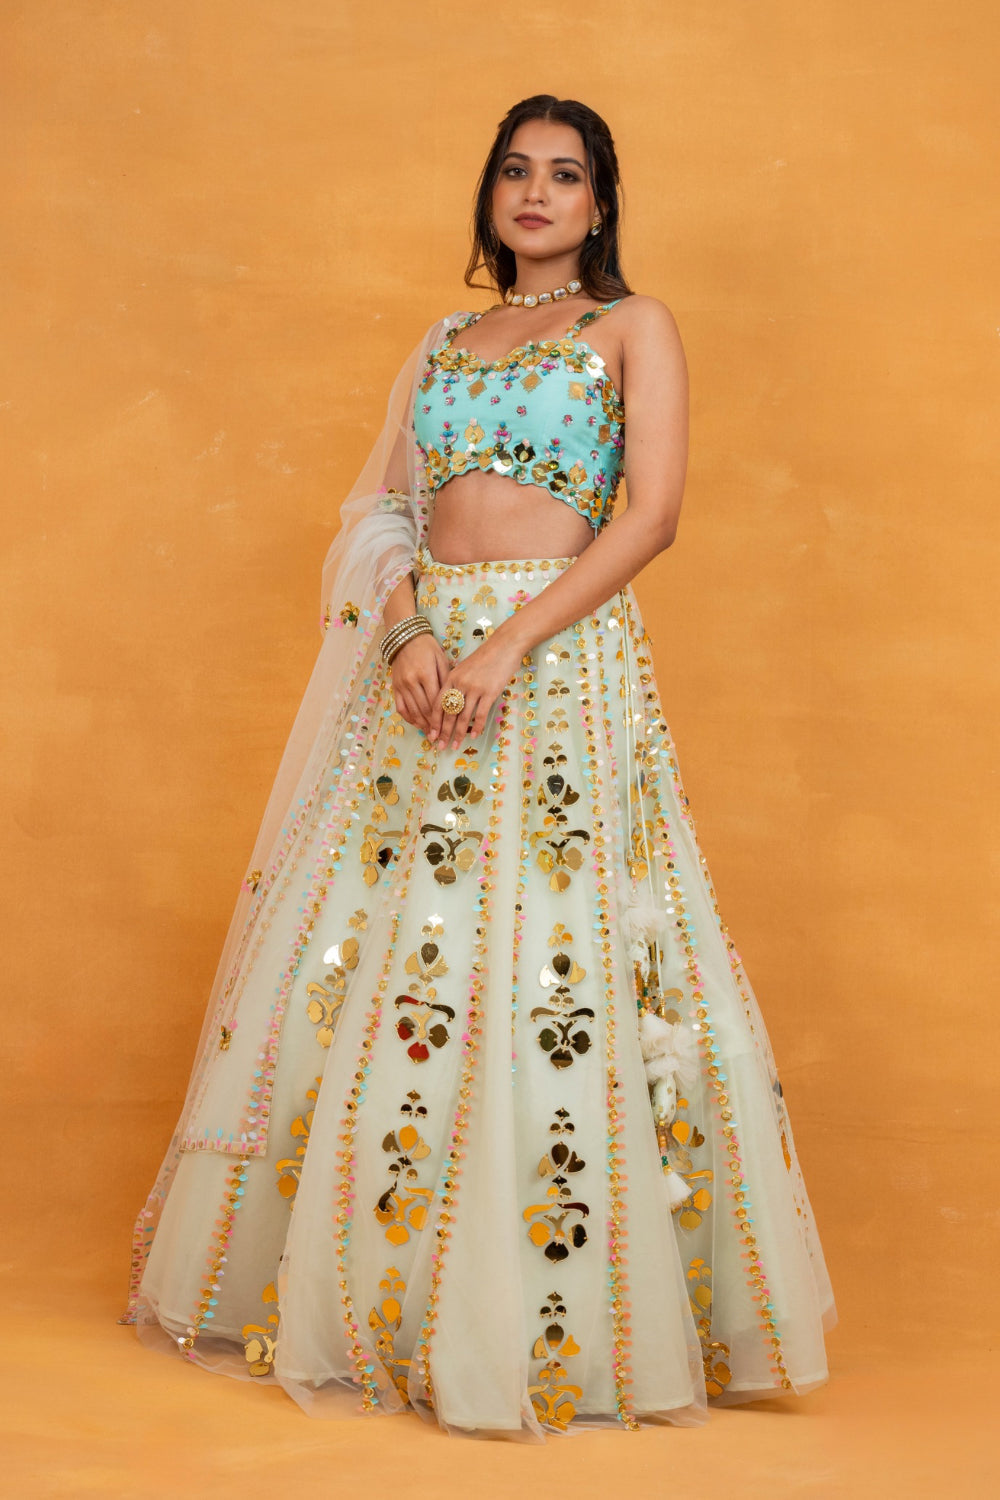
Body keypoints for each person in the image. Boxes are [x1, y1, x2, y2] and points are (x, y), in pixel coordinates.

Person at [121, 94, 836, 1440]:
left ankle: (543, 1319)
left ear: (600, 202)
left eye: (565, 174)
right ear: (491, 193)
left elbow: (653, 515)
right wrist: (403, 630)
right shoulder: (442, 343)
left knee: (548, 955)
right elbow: (380, 508)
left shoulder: (632, 327)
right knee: (391, 953)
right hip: (423, 671)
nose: (536, 192)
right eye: (516, 170)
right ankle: (373, 1296)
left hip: (553, 664)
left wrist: (508, 642)